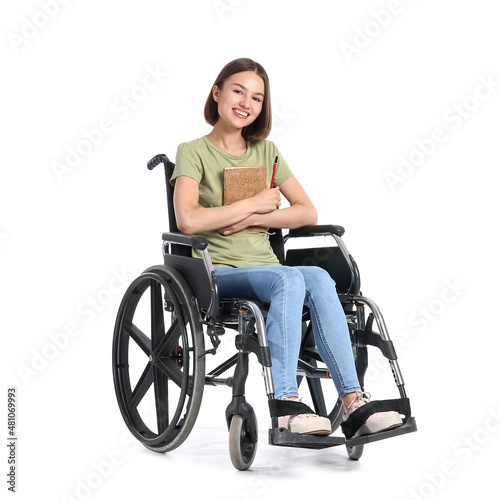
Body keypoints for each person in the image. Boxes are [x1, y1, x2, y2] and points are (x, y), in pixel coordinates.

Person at [170, 57, 402, 437]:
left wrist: (247, 220)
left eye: (258, 97)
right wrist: (253, 203)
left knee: (318, 276)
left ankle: (353, 402)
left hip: (269, 269)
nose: (247, 102)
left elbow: (306, 211)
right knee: (289, 280)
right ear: (217, 93)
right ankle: (286, 403)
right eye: (238, 91)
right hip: (217, 274)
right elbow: (188, 221)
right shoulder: (192, 151)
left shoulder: (268, 151)